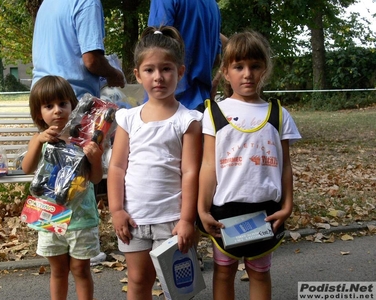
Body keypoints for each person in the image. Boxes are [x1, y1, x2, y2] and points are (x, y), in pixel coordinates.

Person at [197, 30, 302, 300]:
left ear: (264, 69)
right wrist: (202, 208)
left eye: (255, 66)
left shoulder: (278, 114)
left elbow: (286, 166)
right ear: (225, 71)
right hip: (225, 211)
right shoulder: (214, 113)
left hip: (265, 212)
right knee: (223, 271)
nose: (247, 74)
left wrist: (287, 206)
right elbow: (208, 166)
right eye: (239, 66)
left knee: (259, 273)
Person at [107, 26, 203, 299]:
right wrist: (116, 211)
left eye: (166, 69)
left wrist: (187, 219)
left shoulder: (188, 121)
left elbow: (190, 172)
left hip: (172, 220)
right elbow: (116, 167)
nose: (158, 77)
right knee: (138, 280)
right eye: (149, 70)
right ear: (137, 75)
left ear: (180, 72)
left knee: (178, 286)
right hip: (134, 218)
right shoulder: (128, 119)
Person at [22, 75, 104, 300]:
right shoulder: (39, 139)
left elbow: (95, 179)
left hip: (81, 217)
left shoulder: (83, 139)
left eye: (63, 104)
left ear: (73, 106)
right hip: (50, 216)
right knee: (58, 270)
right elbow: (27, 168)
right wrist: (38, 142)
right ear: (39, 113)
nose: (57, 110)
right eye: (49, 106)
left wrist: (95, 159)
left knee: (80, 269)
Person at [30, 0, 125, 100]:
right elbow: (92, 61)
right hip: (70, 100)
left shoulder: (47, 3)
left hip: (40, 98)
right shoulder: (87, 2)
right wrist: (114, 74)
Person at [147, 0, 222, 111]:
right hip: (202, 104)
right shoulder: (213, 6)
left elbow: (155, 49)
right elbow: (216, 58)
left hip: (167, 105)